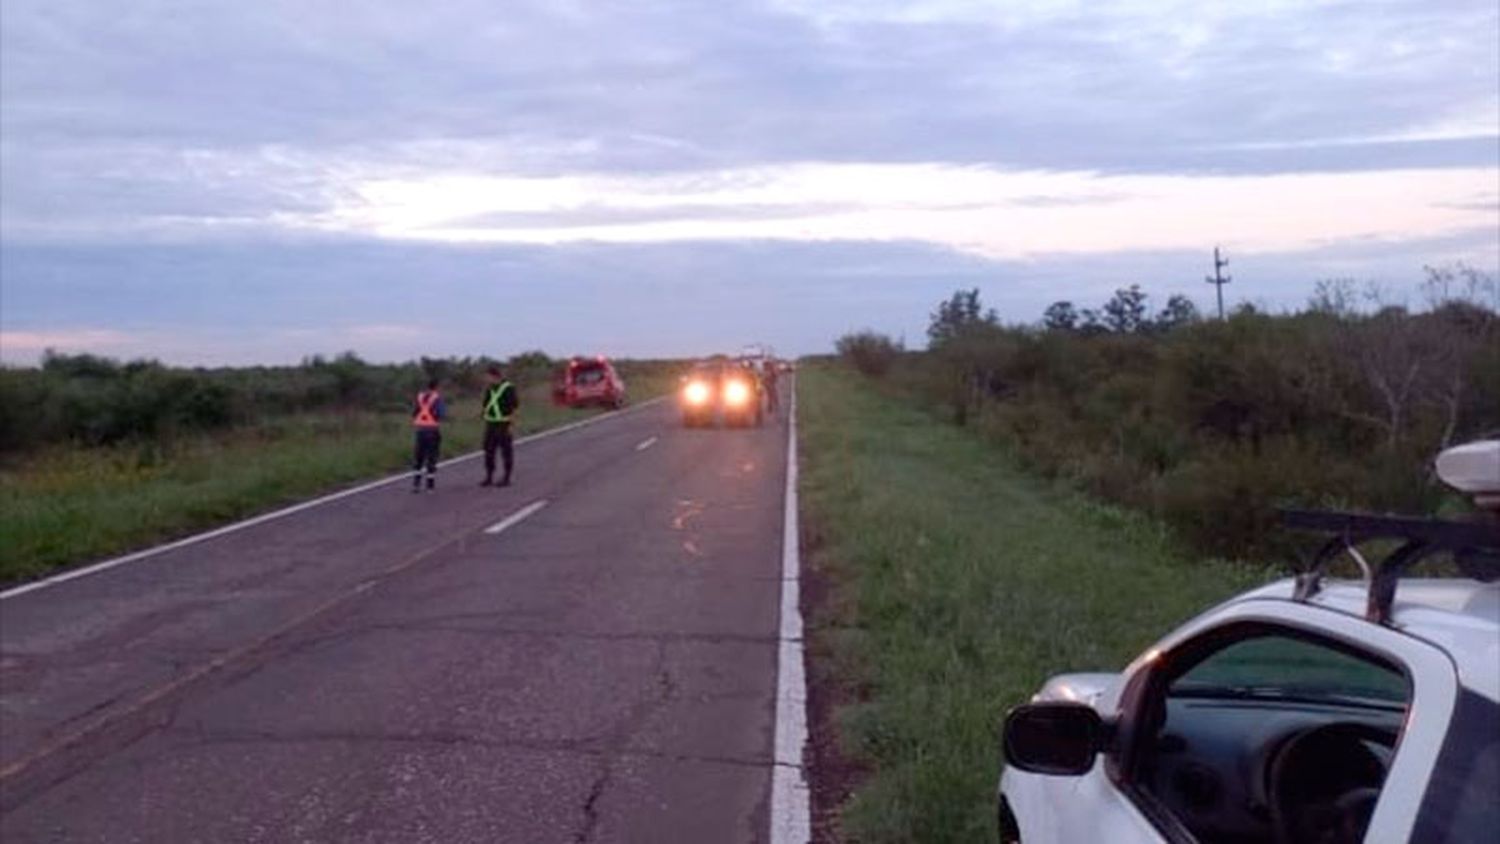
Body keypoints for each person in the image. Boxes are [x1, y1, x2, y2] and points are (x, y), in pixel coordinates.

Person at [480, 365, 519, 487]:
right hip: (491, 424)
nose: (486, 379)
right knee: (489, 451)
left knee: (506, 452)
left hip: (504, 423)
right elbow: (485, 404)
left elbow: (514, 407)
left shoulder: (508, 388)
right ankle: (489, 476)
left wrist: (511, 424)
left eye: (488, 377)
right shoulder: (490, 389)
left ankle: (506, 477)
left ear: (494, 376)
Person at [411, 378, 446, 492]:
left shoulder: (420, 397)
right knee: (431, 457)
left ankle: (416, 484)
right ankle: (430, 485)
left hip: (420, 430)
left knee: (419, 457)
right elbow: (441, 414)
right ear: (436, 387)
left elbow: (414, 412)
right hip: (432, 430)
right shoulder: (437, 398)